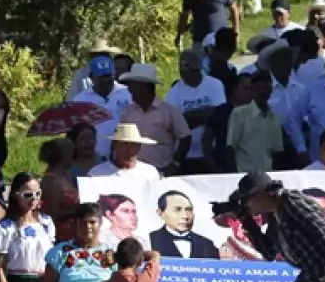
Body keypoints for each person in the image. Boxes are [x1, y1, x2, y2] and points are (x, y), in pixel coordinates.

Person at [166, 46, 226, 174]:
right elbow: (177, 124)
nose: (185, 74)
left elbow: (220, 115)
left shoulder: (215, 84)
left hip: (212, 151)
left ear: (197, 69)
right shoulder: (174, 92)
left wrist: (189, 117)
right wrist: (206, 116)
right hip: (186, 156)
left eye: (190, 70)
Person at [149, 190, 219, 259]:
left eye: (189, 210)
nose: (185, 216)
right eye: (177, 209)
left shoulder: (207, 244)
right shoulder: (150, 241)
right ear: (160, 213)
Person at [88, 123, 162, 182]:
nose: (129, 149)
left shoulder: (150, 172)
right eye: (125, 144)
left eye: (133, 144)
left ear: (139, 147)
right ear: (114, 146)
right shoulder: (96, 173)